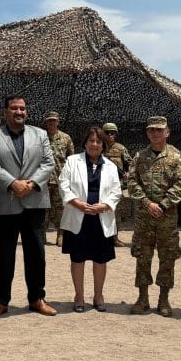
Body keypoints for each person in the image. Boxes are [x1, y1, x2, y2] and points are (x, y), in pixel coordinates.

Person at [0, 95, 58, 319]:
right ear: (5, 111)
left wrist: (31, 184)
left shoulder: (40, 134)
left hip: (34, 201)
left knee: (36, 254)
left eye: (22, 108)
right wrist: (13, 183)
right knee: (3, 255)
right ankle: (1, 301)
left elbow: (48, 163)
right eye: (14, 108)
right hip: (5, 202)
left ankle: (37, 298)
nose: (19, 112)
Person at [58, 127, 122, 312]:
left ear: (103, 145)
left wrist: (105, 205)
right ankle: (79, 296)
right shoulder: (72, 161)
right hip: (78, 216)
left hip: (101, 218)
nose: (95, 144)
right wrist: (76, 203)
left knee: (100, 259)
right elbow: (63, 184)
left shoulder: (110, 166)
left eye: (99, 142)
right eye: (91, 141)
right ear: (85, 143)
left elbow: (116, 191)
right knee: (77, 258)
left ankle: (98, 296)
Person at [127, 116, 181, 316]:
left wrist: (163, 205)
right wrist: (147, 203)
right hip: (144, 217)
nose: (155, 133)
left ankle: (163, 299)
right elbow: (132, 182)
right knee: (142, 257)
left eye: (159, 130)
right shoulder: (139, 157)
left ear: (167, 133)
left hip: (166, 218)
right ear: (147, 133)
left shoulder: (176, 157)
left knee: (167, 257)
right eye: (151, 130)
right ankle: (142, 298)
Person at [44, 111, 75, 246]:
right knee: (43, 209)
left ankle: (60, 234)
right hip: (43, 180)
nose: (52, 122)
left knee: (60, 208)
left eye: (54, 120)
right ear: (46, 122)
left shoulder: (66, 138)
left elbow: (71, 158)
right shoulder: (40, 137)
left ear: (58, 122)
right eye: (49, 120)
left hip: (60, 179)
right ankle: (41, 235)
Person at [101, 122, 133, 246]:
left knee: (115, 211)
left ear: (116, 134)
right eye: (107, 133)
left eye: (112, 133)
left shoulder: (120, 148)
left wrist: (128, 173)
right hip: (100, 185)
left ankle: (114, 239)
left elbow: (130, 164)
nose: (110, 135)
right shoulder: (98, 146)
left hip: (116, 185)